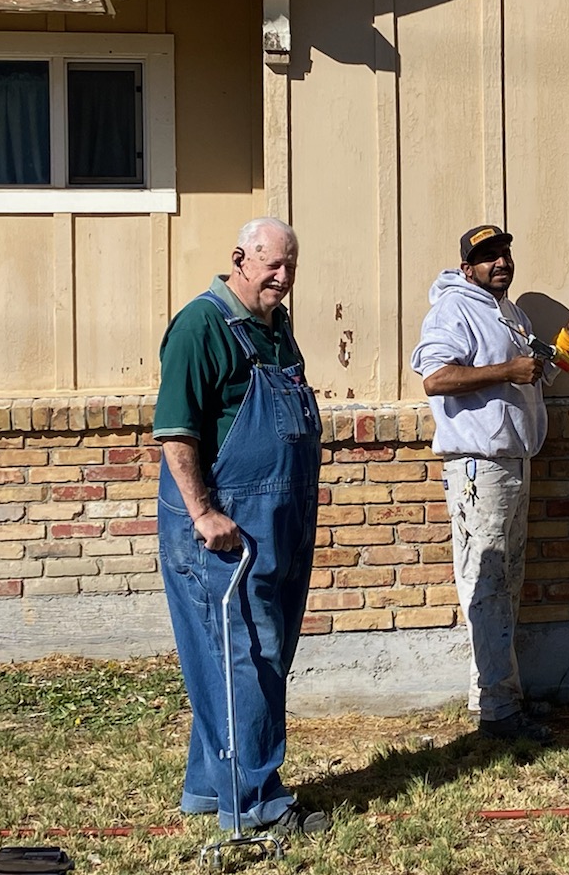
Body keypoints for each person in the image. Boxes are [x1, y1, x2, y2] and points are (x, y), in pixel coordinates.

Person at [153, 217, 326, 835]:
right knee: (246, 656)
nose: (284, 277)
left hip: (278, 521)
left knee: (243, 655)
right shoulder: (201, 325)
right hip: (222, 528)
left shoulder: (277, 328)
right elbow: (175, 430)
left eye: (291, 267)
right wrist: (202, 513)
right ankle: (256, 804)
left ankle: (209, 785)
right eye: (273, 264)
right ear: (240, 259)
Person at [411, 225, 569, 741]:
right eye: (487, 256)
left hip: (512, 464)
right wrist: (504, 370)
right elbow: (435, 378)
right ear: (466, 266)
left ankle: (495, 699)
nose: (500, 262)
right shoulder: (453, 309)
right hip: (480, 465)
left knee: (504, 584)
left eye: (504, 253)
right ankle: (500, 715)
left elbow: (535, 373)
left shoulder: (510, 311)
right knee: (487, 583)